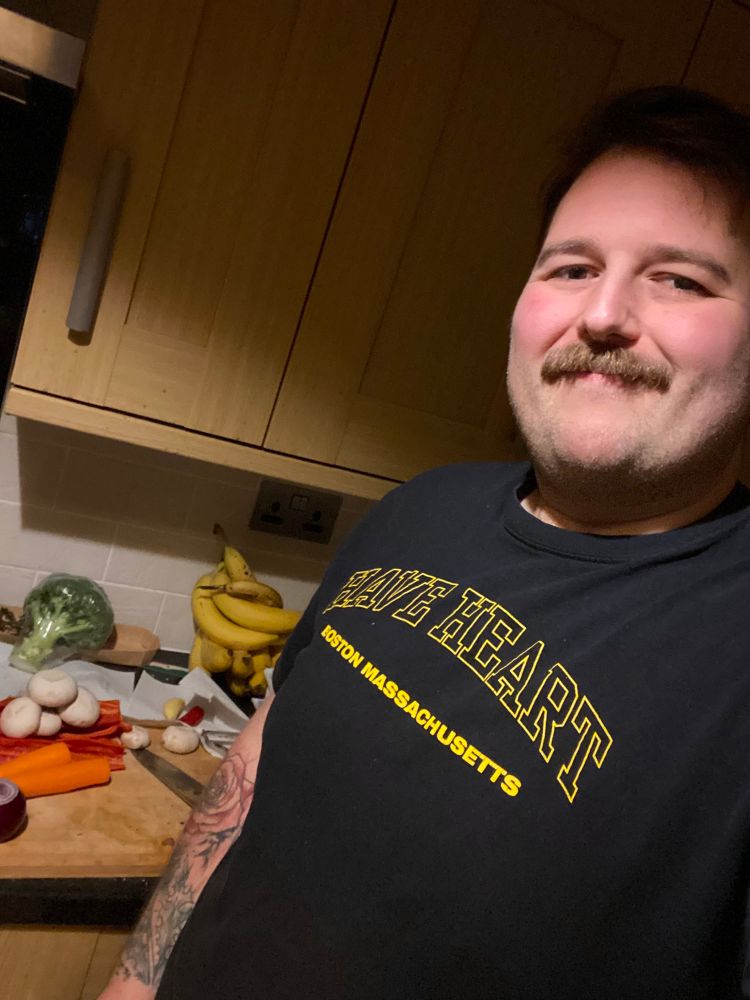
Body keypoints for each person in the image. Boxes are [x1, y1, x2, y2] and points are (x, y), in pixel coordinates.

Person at [100, 85, 750, 999]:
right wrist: (132, 983)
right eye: (570, 268)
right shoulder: (420, 507)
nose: (602, 315)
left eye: (680, 279)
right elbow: (255, 766)